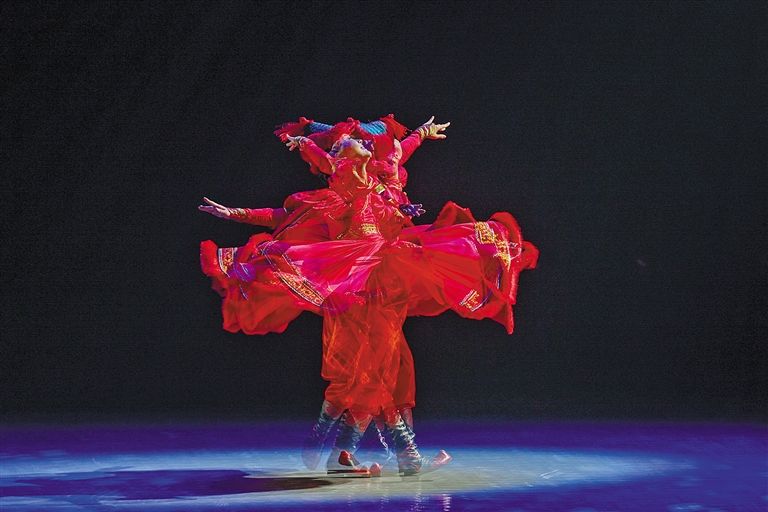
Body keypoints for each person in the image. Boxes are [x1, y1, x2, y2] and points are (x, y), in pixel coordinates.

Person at [199, 117, 538, 476]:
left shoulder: (383, 183)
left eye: (360, 140)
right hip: (355, 288)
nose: (359, 142)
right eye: (346, 142)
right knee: (371, 372)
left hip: (388, 283)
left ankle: (347, 451)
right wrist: (236, 209)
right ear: (335, 159)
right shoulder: (335, 193)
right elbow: (279, 213)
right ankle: (378, 454)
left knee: (390, 369)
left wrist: (421, 134)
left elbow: (396, 153)